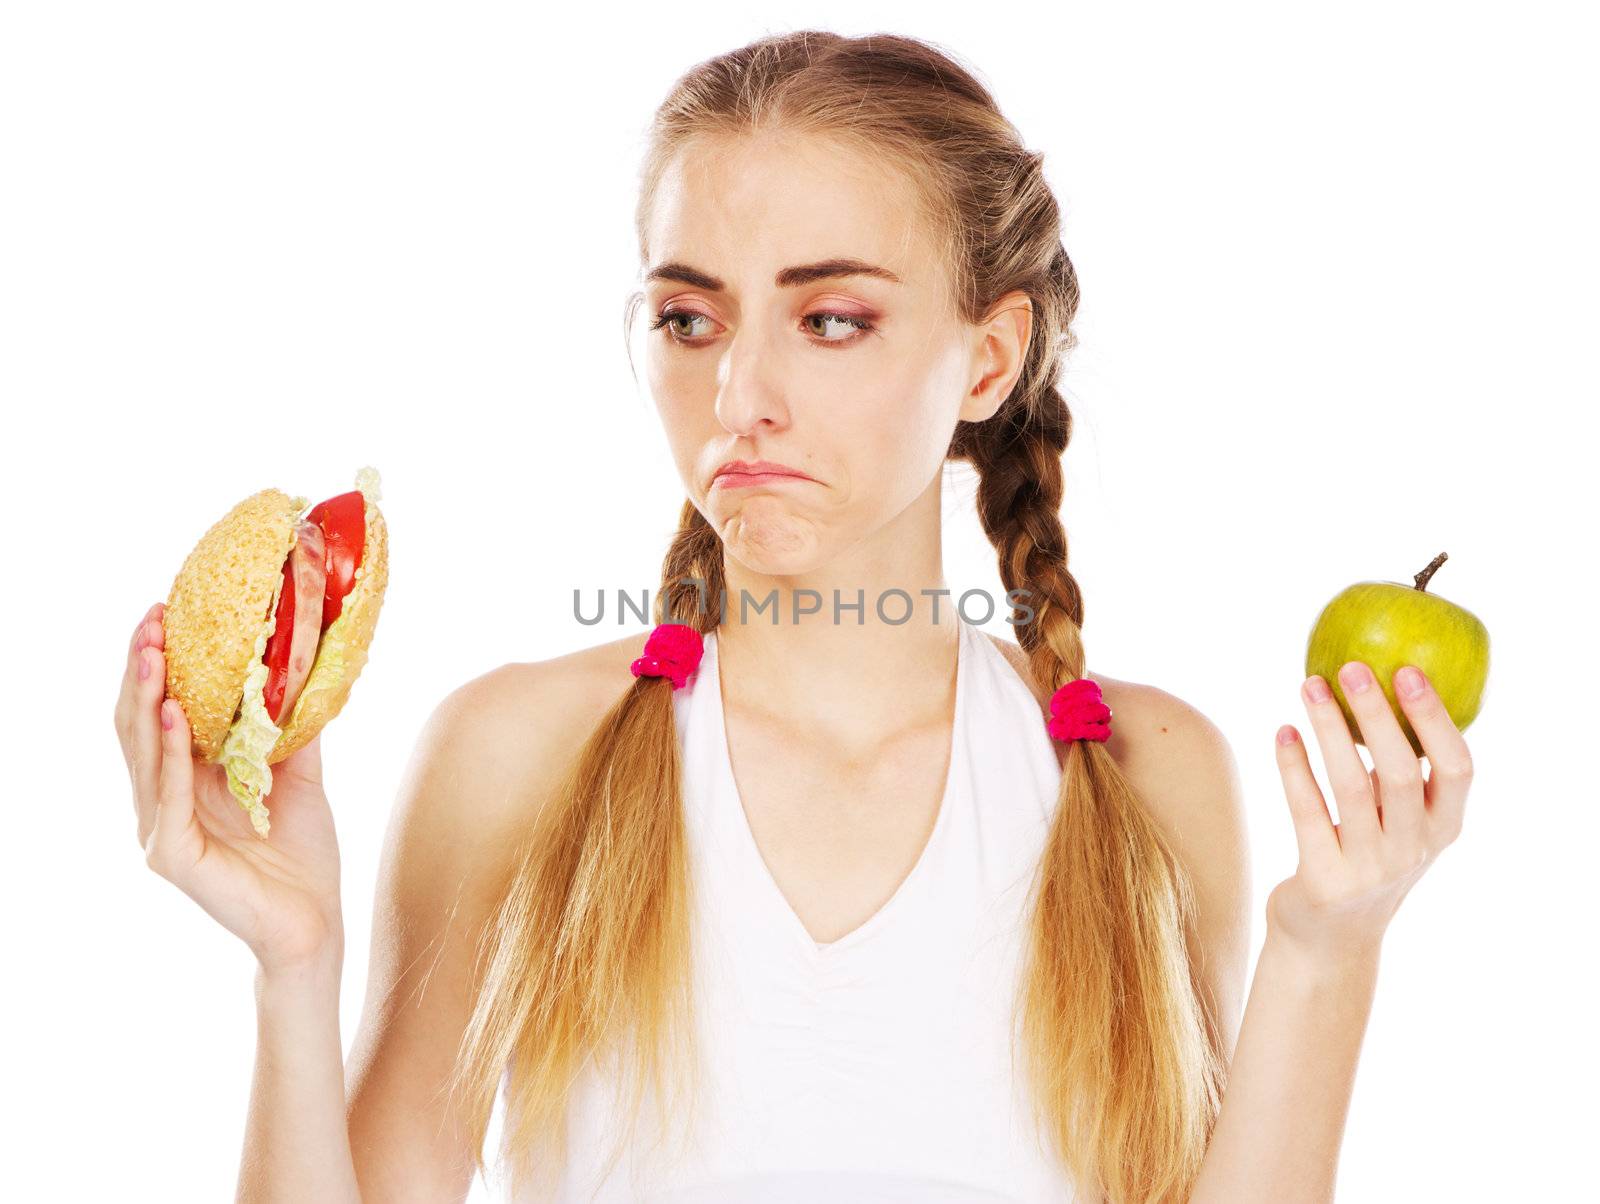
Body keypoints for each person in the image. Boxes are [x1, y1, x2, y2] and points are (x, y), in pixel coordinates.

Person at [113, 29, 1474, 1204]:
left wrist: (1327, 946)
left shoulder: (1136, 767)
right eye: (690, 319)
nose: (738, 394)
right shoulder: (517, 750)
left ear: (988, 358)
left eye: (829, 319)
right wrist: (294, 970)